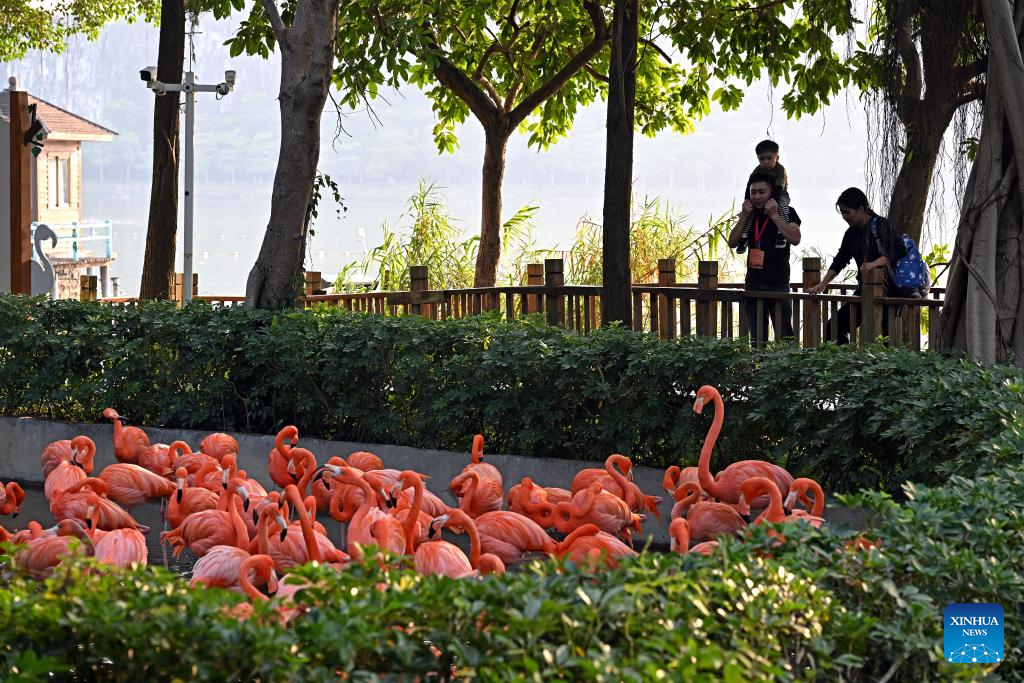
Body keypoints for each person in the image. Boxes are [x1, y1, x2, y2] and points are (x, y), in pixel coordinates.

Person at [807, 187, 907, 344]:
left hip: (890, 292)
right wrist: (822, 285)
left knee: (886, 338)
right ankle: (845, 364)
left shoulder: (881, 224)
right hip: (864, 290)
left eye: (847, 212)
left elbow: (899, 249)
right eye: (842, 213)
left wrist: (873, 264)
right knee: (834, 327)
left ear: (861, 209)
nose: (845, 217)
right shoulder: (851, 233)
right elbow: (840, 260)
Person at [729, 171, 802, 344]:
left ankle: (787, 368)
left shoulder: (786, 212)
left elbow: (795, 238)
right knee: (756, 337)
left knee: (785, 336)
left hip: (778, 283)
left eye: (762, 192)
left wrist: (774, 215)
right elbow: (732, 242)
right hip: (753, 283)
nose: (757, 197)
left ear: (771, 194)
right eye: (753, 192)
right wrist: (744, 216)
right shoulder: (750, 215)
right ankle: (757, 369)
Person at [735, 140, 791, 253]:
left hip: (779, 194)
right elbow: (749, 188)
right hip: (761, 196)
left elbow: (778, 189)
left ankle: (781, 235)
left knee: (783, 207)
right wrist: (747, 202)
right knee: (750, 212)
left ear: (777, 157)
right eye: (762, 159)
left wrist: (771, 205)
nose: (765, 162)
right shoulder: (756, 170)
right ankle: (744, 236)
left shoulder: (780, 170)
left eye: (769, 158)